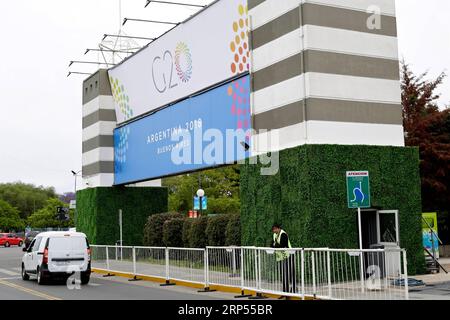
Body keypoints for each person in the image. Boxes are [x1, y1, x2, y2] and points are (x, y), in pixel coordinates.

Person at [271, 223, 297, 295]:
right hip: (281, 256)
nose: (274, 231)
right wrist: (275, 246)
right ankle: (285, 291)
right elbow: (271, 244)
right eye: (273, 230)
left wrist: (275, 246)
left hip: (288, 254)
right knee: (283, 273)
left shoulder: (283, 234)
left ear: (278, 228)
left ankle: (294, 288)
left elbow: (283, 245)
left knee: (291, 272)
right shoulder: (274, 235)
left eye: (275, 229)